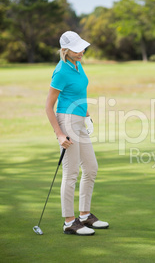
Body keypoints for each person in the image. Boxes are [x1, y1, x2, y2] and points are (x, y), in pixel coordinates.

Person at [45, 31, 109, 236]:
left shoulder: (77, 64)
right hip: (67, 122)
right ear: (65, 50)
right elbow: (48, 107)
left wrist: (87, 114)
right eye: (76, 48)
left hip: (80, 120)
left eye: (82, 47)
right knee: (71, 172)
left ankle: (84, 215)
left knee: (91, 168)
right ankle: (69, 222)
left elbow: (79, 93)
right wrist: (59, 134)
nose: (82, 51)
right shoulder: (61, 71)